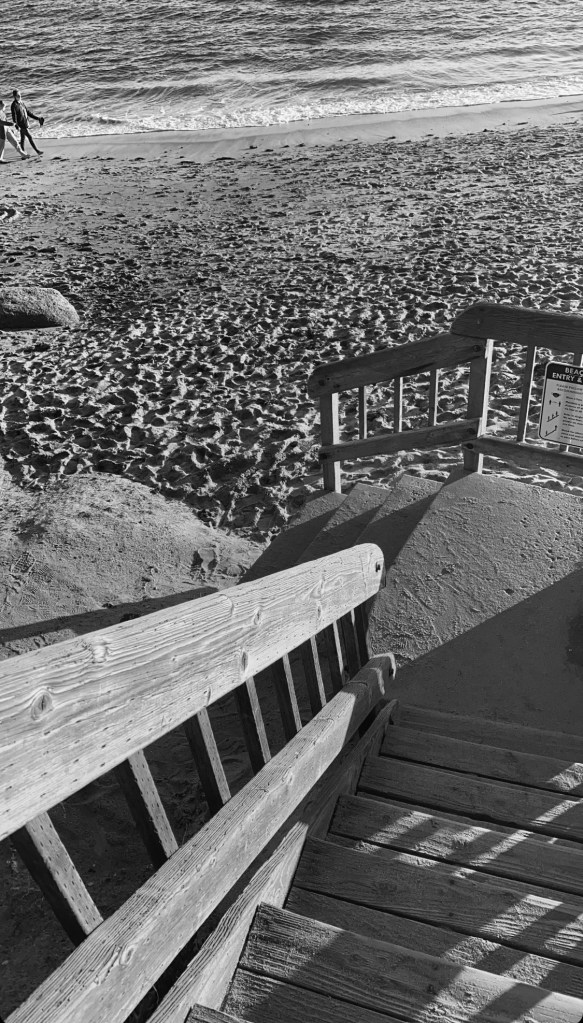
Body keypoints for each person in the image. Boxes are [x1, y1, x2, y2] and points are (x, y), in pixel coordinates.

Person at [10, 89, 44, 156]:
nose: (19, 96)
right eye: (18, 95)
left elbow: (28, 112)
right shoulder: (14, 105)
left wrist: (37, 118)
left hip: (25, 123)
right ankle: (37, 151)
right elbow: (14, 116)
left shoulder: (22, 103)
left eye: (20, 95)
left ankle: (23, 154)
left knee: (22, 139)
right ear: (14, 96)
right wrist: (16, 125)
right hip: (21, 125)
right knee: (30, 137)